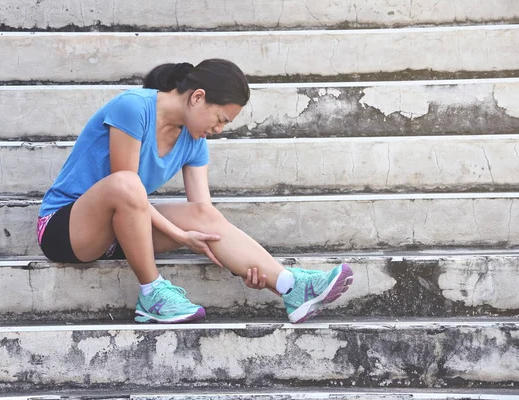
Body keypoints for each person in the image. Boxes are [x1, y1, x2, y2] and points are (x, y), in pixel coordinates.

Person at [36, 59, 353, 324]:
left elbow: (204, 216)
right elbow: (124, 185)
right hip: (67, 228)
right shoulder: (132, 107)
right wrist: (179, 234)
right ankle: (152, 293)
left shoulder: (194, 141)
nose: (218, 130)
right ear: (197, 97)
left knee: (204, 214)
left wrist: (242, 266)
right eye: (220, 119)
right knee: (127, 183)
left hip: (122, 233)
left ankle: (289, 285)